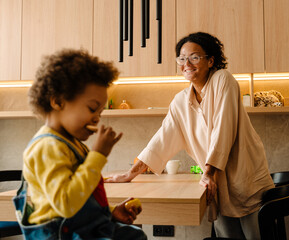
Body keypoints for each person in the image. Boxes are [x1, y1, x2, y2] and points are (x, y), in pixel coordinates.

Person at [106, 32, 274, 239]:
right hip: (214, 182)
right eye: (182, 58)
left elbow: (223, 130)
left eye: (194, 57)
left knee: (254, 236)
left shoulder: (224, 80)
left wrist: (209, 172)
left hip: (244, 176)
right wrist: (130, 174)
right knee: (227, 236)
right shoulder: (180, 101)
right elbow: (161, 140)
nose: (187, 63)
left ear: (211, 60)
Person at [20, 49, 147, 239]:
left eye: (100, 113)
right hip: (63, 234)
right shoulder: (47, 147)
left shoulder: (72, 144)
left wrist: (109, 212)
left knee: (134, 235)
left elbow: (82, 195)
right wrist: (98, 156)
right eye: (92, 109)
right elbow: (66, 204)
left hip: (82, 229)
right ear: (57, 101)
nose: (96, 119)